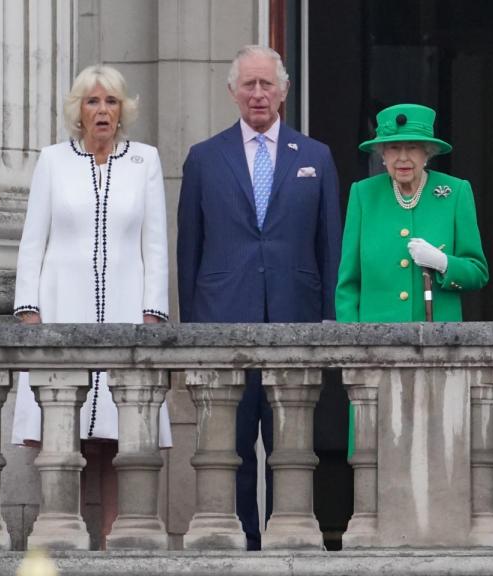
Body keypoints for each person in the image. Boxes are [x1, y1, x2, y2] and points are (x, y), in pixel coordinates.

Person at [176, 45, 342, 550]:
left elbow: (329, 243)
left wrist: (331, 321)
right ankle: (244, 541)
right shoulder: (205, 157)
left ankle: (288, 537)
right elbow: (190, 249)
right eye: (248, 84)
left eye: (266, 84)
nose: (257, 94)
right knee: (232, 445)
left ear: (284, 90)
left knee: (291, 444)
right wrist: (189, 337)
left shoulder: (315, 156)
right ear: (232, 92)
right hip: (223, 319)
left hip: (296, 317)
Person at [12, 64, 172, 547]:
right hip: (63, 309)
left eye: (111, 102)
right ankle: (66, 541)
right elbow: (32, 240)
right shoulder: (52, 161)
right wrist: (29, 311)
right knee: (69, 433)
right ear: (78, 111)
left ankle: (119, 541)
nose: (102, 111)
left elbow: (156, 245)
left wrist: (152, 315)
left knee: (121, 435)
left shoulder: (144, 160)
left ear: (123, 110)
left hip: (126, 311)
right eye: (92, 101)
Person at [335, 103, 488, 322]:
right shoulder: (363, 194)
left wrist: (444, 263)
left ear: (427, 152)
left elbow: (477, 273)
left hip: (438, 339)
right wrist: (350, 342)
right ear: (383, 155)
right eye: (394, 148)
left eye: (413, 147)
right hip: (375, 340)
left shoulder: (455, 193)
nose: (403, 158)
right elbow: (348, 283)